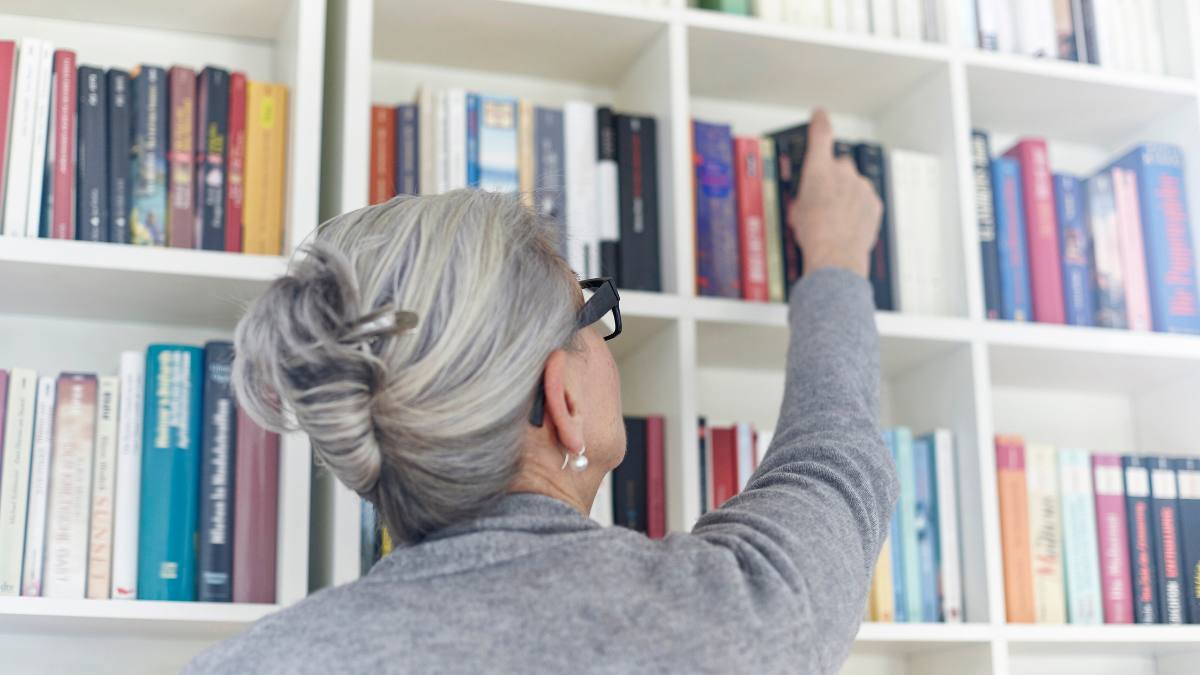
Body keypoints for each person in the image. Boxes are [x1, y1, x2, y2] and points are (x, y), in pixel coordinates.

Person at [186, 109, 896, 674]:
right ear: (564, 400)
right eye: (592, 316)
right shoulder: (733, 614)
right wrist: (835, 256)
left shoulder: (246, 663)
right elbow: (835, 461)